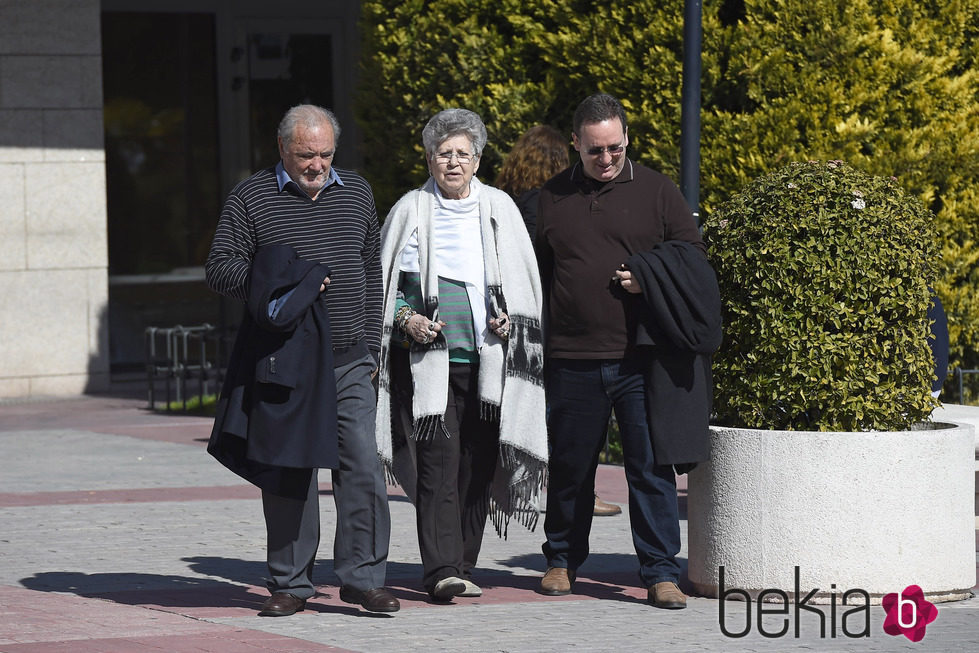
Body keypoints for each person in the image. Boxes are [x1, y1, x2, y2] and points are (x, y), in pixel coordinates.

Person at [205, 104, 399, 617]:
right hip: (285, 360)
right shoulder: (251, 197)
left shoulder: (356, 192)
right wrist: (279, 282)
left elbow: (371, 270)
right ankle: (290, 583)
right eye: (305, 155)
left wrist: (374, 348)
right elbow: (220, 268)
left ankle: (364, 579)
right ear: (282, 150)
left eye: (325, 154)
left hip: (349, 357)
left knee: (361, 462)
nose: (316, 165)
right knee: (289, 469)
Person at [535, 93, 712, 610]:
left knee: (650, 469)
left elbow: (692, 257)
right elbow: (536, 271)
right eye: (594, 150)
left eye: (614, 147)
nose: (606, 158)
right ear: (576, 143)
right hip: (570, 357)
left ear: (627, 139)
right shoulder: (550, 197)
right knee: (570, 468)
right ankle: (561, 561)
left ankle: (660, 573)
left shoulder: (657, 191)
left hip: (640, 359)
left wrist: (649, 279)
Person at [375, 108, 548, 602]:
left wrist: (508, 319)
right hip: (428, 365)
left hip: (490, 364)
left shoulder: (499, 208)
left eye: (462, 154)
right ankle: (441, 570)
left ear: (477, 159)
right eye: (444, 153)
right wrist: (408, 320)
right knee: (437, 465)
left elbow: (522, 288)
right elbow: (389, 289)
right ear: (429, 159)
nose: (453, 162)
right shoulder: (411, 209)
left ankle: (464, 563)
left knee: (477, 463)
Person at [495, 124, 623, 518]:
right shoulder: (547, 201)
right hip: (550, 320)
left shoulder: (507, 199)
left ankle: (524, 482)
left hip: (513, 313)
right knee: (564, 419)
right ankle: (572, 490)